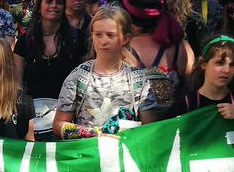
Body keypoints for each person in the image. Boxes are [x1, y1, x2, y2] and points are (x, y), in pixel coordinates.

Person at [53, 8, 158, 140]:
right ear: (92, 35)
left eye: (111, 35)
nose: (104, 41)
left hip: (124, 154)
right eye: (98, 35)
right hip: (88, 155)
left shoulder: (138, 79)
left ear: (125, 38)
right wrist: (95, 133)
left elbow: (150, 129)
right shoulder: (78, 77)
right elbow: (58, 125)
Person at [120, 0, 193, 115]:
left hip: (133, 131)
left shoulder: (119, 48)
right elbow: (190, 94)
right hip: (172, 128)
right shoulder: (182, 48)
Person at [13, 0, 81, 101]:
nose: (54, 6)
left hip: (69, 108)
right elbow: (16, 80)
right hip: (33, 110)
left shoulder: (78, 37)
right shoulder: (24, 40)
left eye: (59, 2)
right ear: (39, 7)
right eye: (49, 2)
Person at [172, 35, 234, 118]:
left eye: (232, 65)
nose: (226, 70)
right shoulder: (186, 106)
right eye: (219, 63)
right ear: (203, 64)